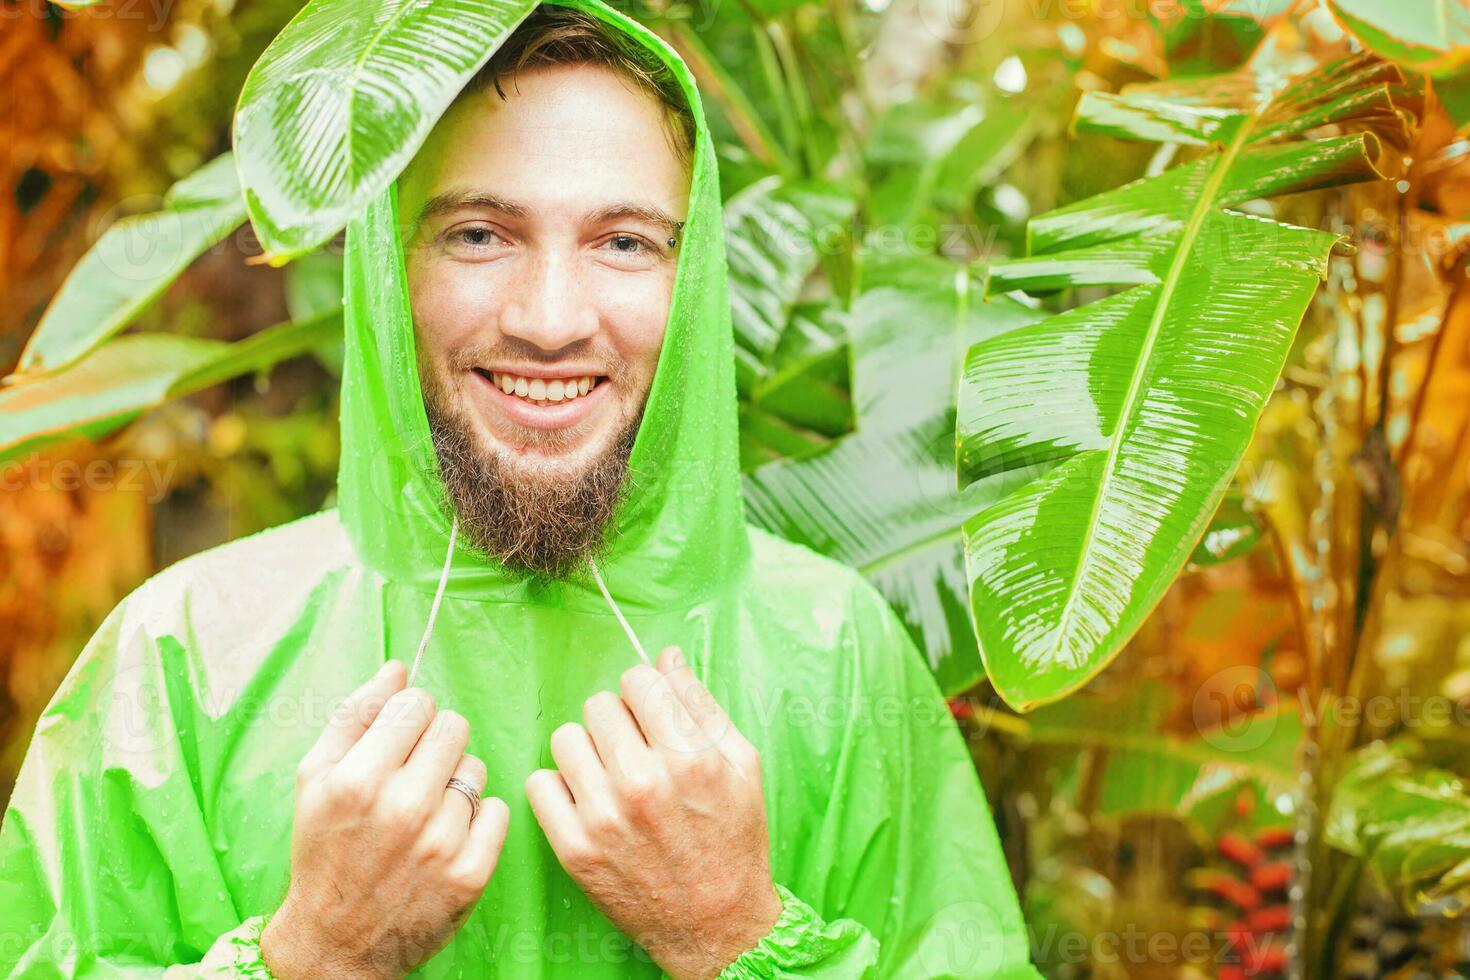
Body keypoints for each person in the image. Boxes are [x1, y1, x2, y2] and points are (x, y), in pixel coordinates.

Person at [0, 1, 1042, 977]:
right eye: (478, 234)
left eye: (624, 242)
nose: (550, 317)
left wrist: (736, 932)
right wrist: (315, 950)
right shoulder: (178, 659)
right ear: (385, 270)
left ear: (696, 277)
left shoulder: (840, 651)